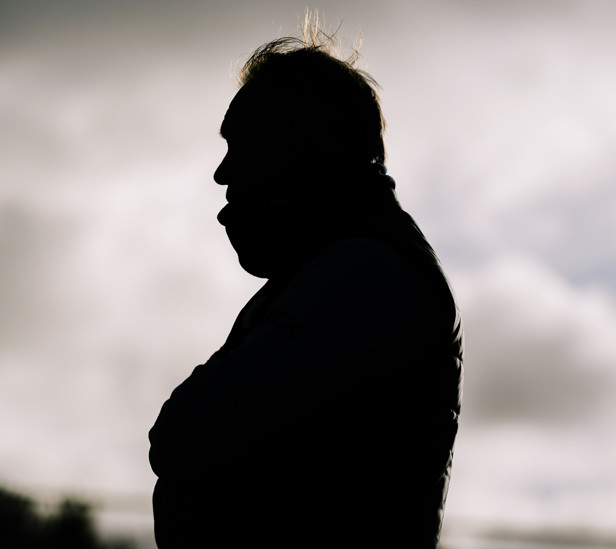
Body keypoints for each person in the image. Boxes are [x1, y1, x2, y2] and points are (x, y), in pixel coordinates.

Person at [148, 29, 463, 548]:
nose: (221, 174)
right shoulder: (337, 269)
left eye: (240, 146)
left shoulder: (364, 274)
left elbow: (186, 438)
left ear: (296, 149)